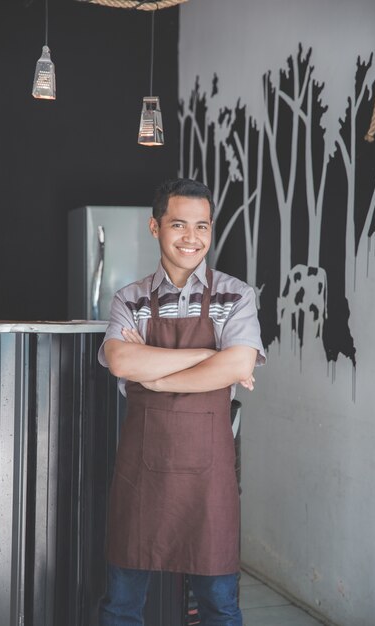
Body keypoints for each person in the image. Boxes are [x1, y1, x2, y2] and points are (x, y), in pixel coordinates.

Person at [97, 178, 265, 626]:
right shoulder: (129, 299)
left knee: (220, 608)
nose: (192, 238)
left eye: (202, 227)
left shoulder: (237, 295)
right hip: (141, 478)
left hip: (209, 481)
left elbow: (238, 365)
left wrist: (153, 378)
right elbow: (120, 360)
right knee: (121, 608)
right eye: (178, 225)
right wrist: (209, 356)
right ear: (155, 227)